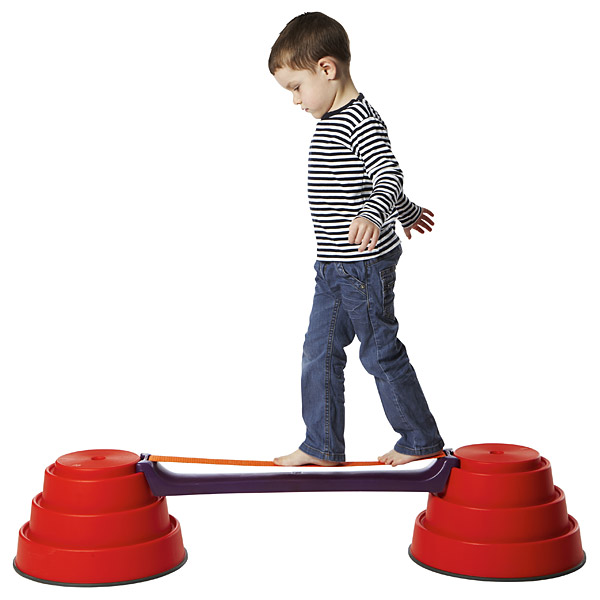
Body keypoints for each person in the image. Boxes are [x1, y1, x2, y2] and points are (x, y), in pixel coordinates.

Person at [269, 12, 444, 467]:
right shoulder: (329, 120)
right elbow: (370, 183)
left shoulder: (360, 121)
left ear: (326, 69)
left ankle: (420, 438)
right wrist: (407, 212)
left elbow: (386, 175)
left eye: (296, 87)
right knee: (318, 352)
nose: (295, 100)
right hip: (331, 268)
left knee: (380, 353)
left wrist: (373, 213)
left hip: (364, 268)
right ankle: (322, 444)